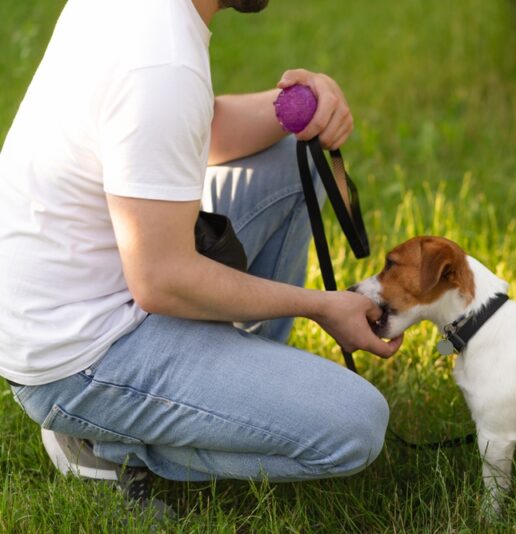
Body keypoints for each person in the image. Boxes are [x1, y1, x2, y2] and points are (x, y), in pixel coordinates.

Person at [0, 0, 403, 514]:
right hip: (79, 355)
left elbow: (196, 128)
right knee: (356, 425)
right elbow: (162, 279)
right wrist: (319, 305)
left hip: (87, 289)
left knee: (285, 158)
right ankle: (103, 438)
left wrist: (298, 106)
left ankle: (223, 392)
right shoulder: (161, 63)